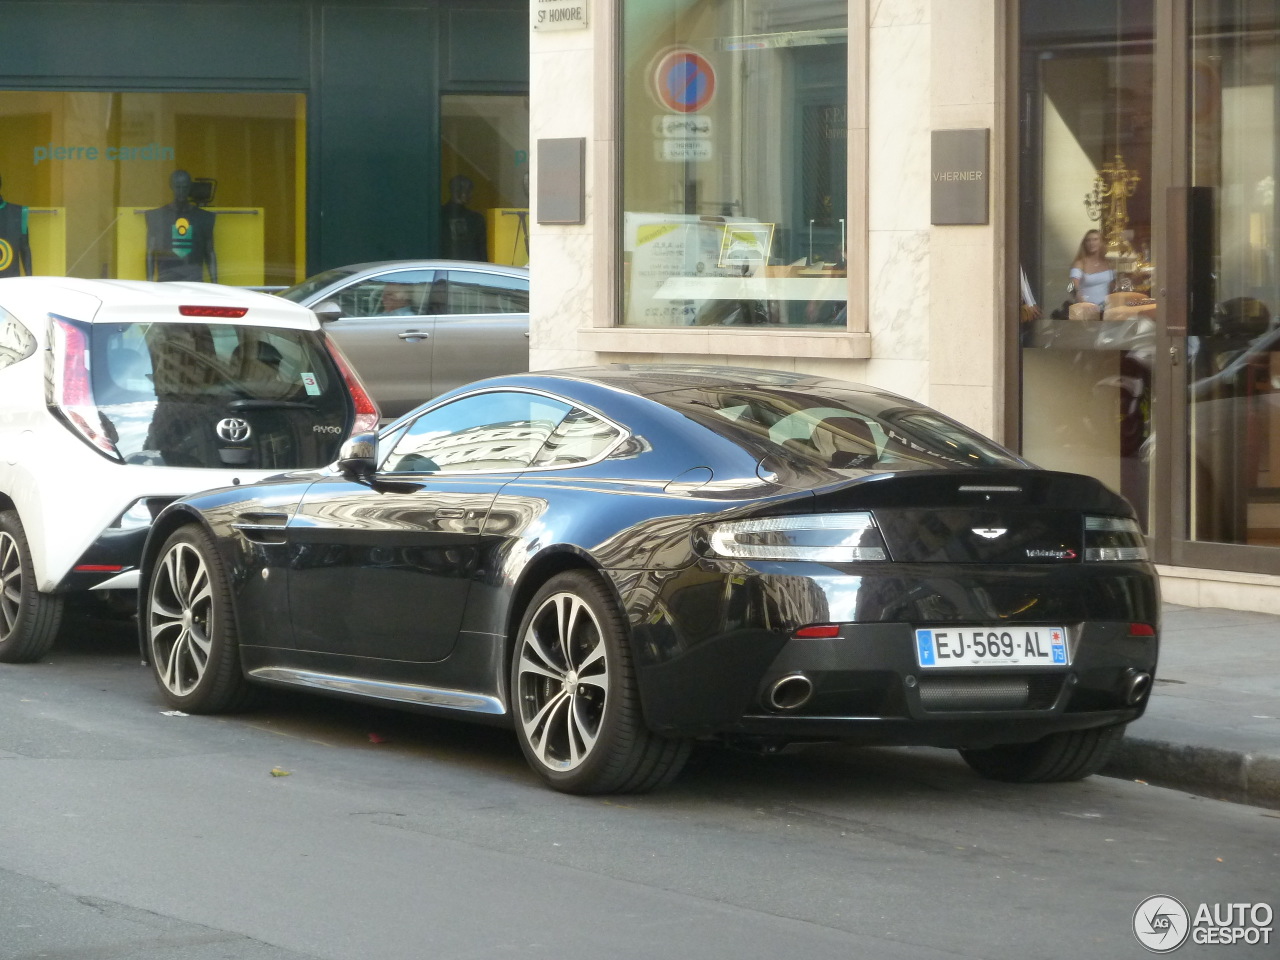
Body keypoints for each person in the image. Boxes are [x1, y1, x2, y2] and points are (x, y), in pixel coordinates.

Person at [145, 169, 217, 282]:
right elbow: (150, 252)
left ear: (190, 188)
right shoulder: (156, 216)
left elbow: (210, 252)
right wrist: (148, 284)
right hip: (166, 280)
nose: (181, 191)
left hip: (195, 280)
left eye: (185, 187)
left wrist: (215, 284)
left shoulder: (204, 217)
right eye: (178, 187)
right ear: (172, 187)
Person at [440, 175, 488, 262]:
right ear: (462, 193)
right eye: (469, 191)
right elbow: (481, 253)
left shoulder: (438, 216)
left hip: (444, 268)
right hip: (469, 269)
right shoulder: (476, 219)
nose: (471, 195)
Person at [1068, 229, 1114, 308]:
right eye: (1088, 240)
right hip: (1086, 309)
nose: (1091, 243)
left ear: (1101, 242)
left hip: (1107, 310)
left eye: (1095, 239)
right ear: (1084, 244)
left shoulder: (1108, 263)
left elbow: (1114, 288)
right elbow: (1072, 287)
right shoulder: (1080, 263)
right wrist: (1083, 303)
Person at [0, 174, 33, 279]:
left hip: (10, 283)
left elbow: (25, 249)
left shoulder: (18, 213)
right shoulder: (17, 213)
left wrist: (30, 279)